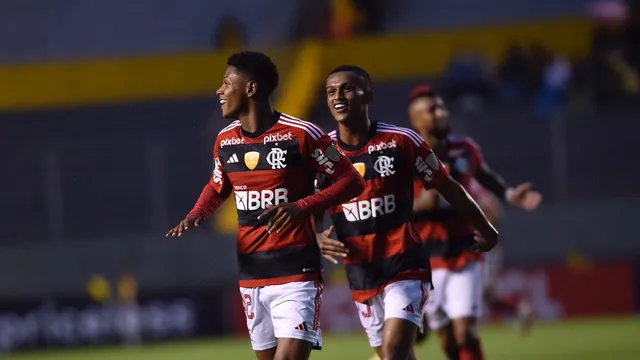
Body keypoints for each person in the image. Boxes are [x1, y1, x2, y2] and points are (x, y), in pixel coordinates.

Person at [166, 52, 365, 360]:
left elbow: (352, 181)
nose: (219, 91)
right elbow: (218, 186)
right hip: (252, 275)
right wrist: (197, 213)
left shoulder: (302, 134)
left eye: (226, 83)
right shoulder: (225, 140)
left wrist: (302, 207)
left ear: (251, 88)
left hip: (297, 273)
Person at [314, 66, 498, 360]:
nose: (339, 96)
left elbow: (449, 188)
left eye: (347, 88)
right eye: (331, 91)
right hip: (361, 273)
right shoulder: (323, 151)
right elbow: (313, 202)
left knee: (394, 352)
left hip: (405, 265)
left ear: (368, 94)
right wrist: (316, 235)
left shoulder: (401, 141)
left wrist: (486, 228)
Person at [408, 85, 542, 360]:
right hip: (427, 259)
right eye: (432, 110)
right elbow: (394, 205)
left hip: (466, 252)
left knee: (465, 331)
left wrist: (507, 193)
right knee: (446, 337)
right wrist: (422, 205)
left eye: (442, 107)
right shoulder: (405, 155)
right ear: (416, 120)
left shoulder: (464, 148)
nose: (442, 113)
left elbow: (484, 175)